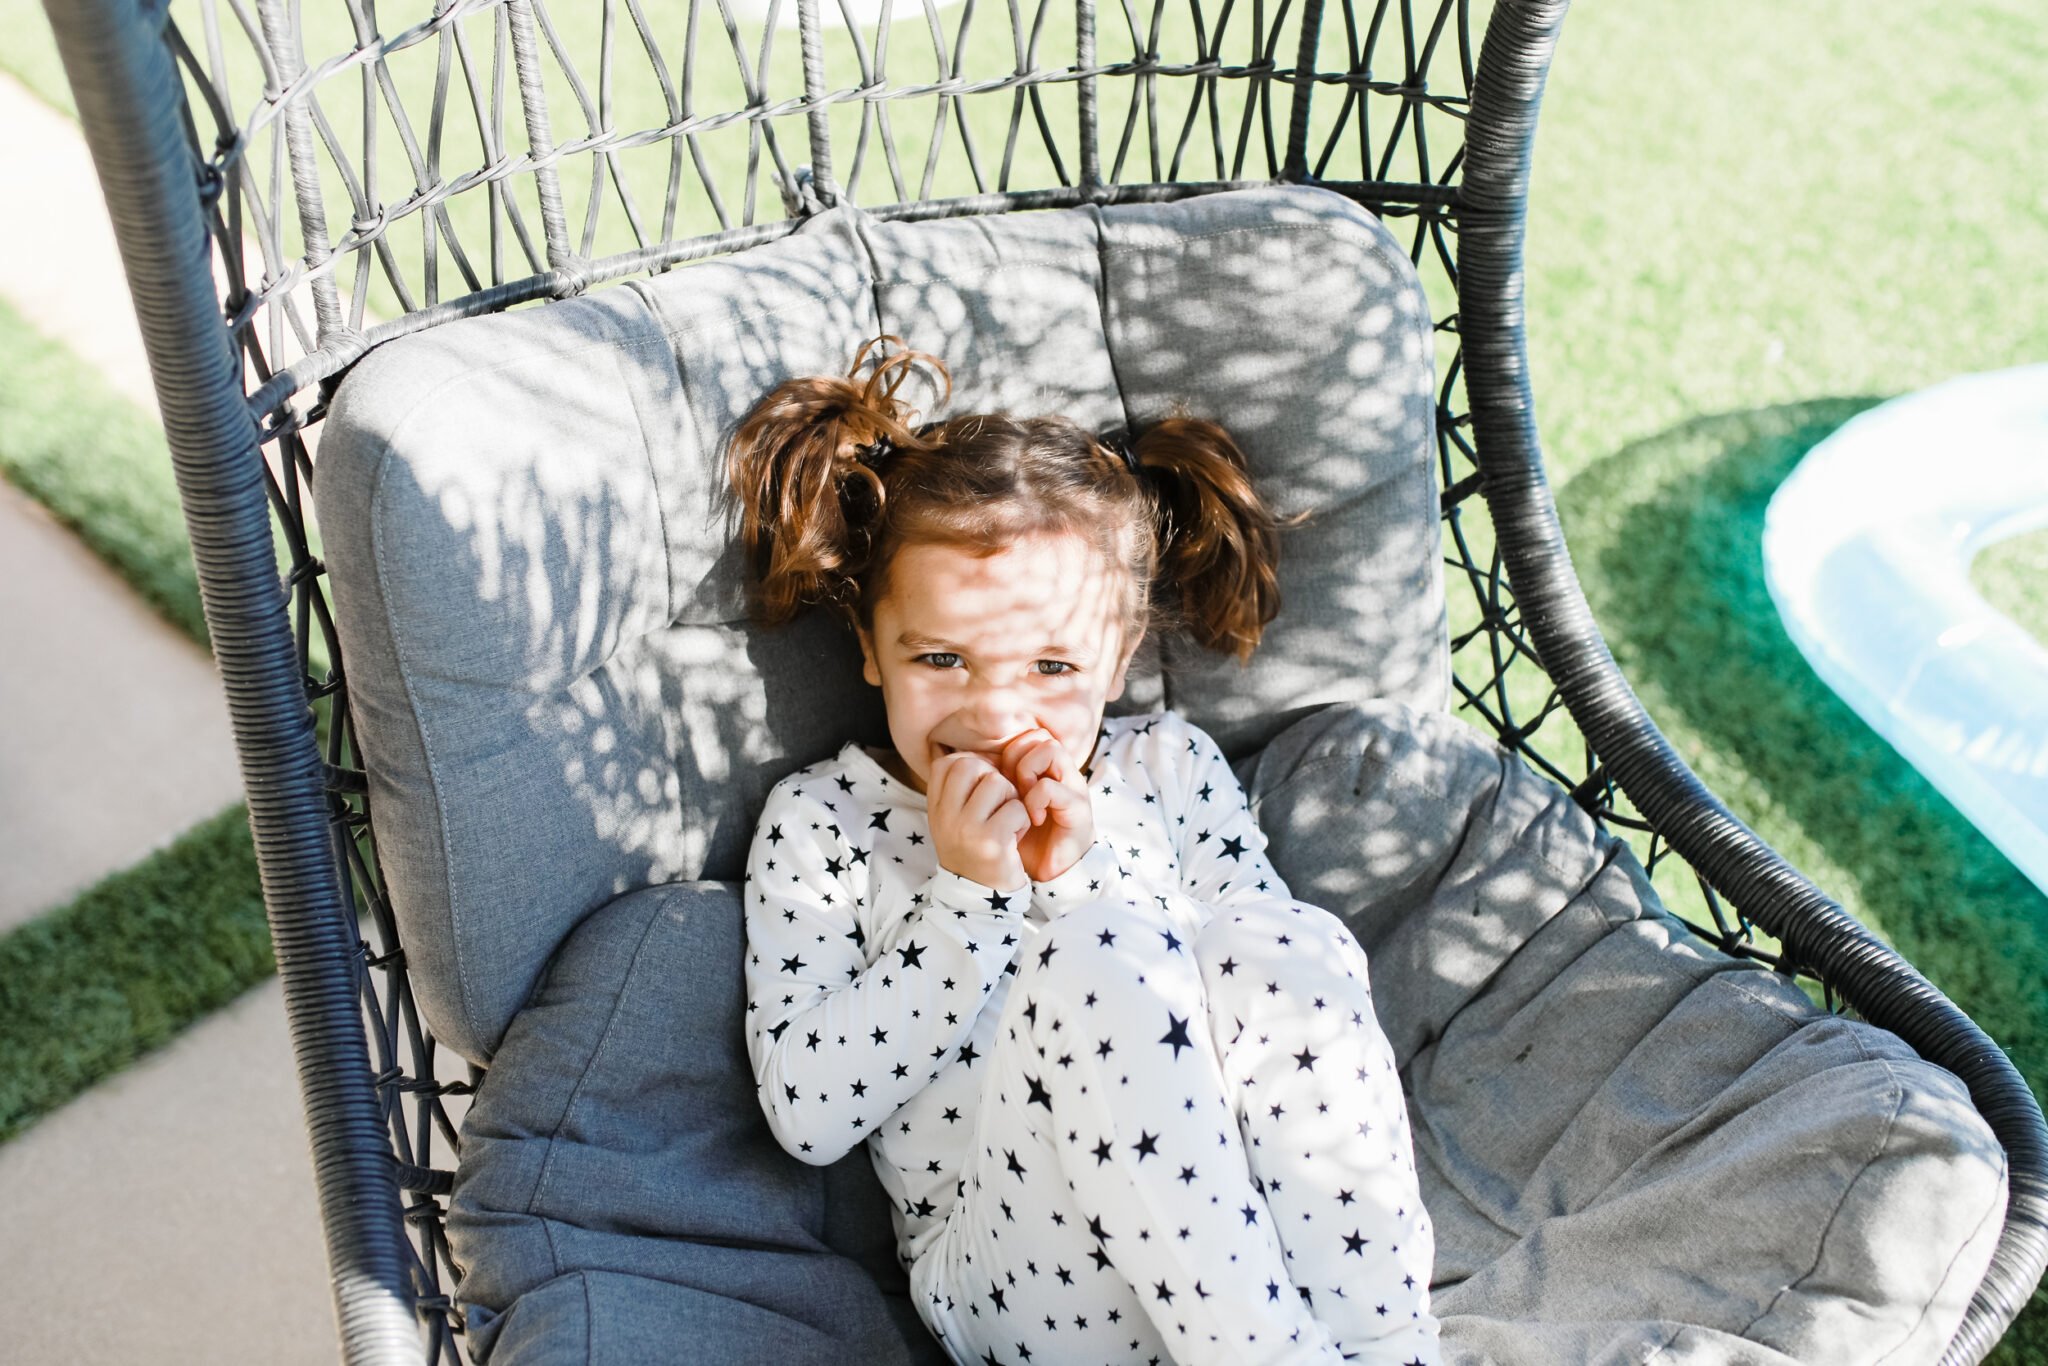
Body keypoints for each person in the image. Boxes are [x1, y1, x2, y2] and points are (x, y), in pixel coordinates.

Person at [729, 335, 1440, 1366]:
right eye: (940, 657)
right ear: (872, 651)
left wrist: (1074, 867)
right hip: (1014, 1271)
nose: (993, 708)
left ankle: (1389, 1347)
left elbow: (1269, 1006)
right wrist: (969, 901)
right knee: (1095, 953)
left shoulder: (1168, 768)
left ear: (1115, 662)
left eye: (1050, 664)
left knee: (1287, 939)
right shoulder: (825, 823)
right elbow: (807, 1112)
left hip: (1241, 1244)